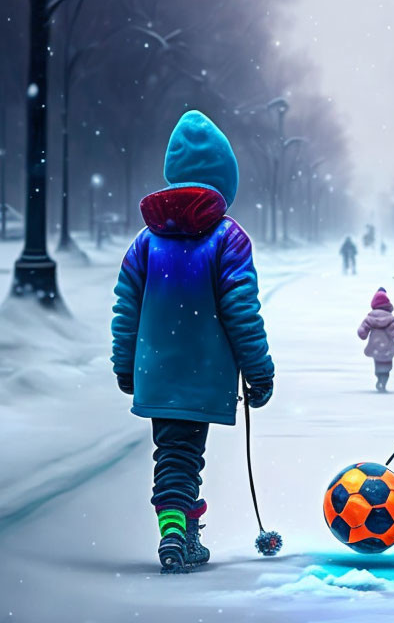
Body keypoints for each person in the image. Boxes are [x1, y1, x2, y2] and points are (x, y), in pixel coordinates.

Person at [111, 110, 274, 574]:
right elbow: (242, 311)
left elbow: (127, 307)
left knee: (173, 452)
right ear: (225, 182)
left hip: (156, 372)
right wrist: (258, 371)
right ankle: (177, 539)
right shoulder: (228, 239)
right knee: (185, 456)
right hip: (203, 372)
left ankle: (177, 531)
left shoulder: (146, 242)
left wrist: (126, 364)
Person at [357, 287, 394, 392]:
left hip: (375, 347)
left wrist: (362, 334)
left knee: (378, 365)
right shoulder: (391, 321)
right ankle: (383, 382)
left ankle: (379, 379)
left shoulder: (370, 319)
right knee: (386, 367)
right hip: (388, 349)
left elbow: (363, 330)